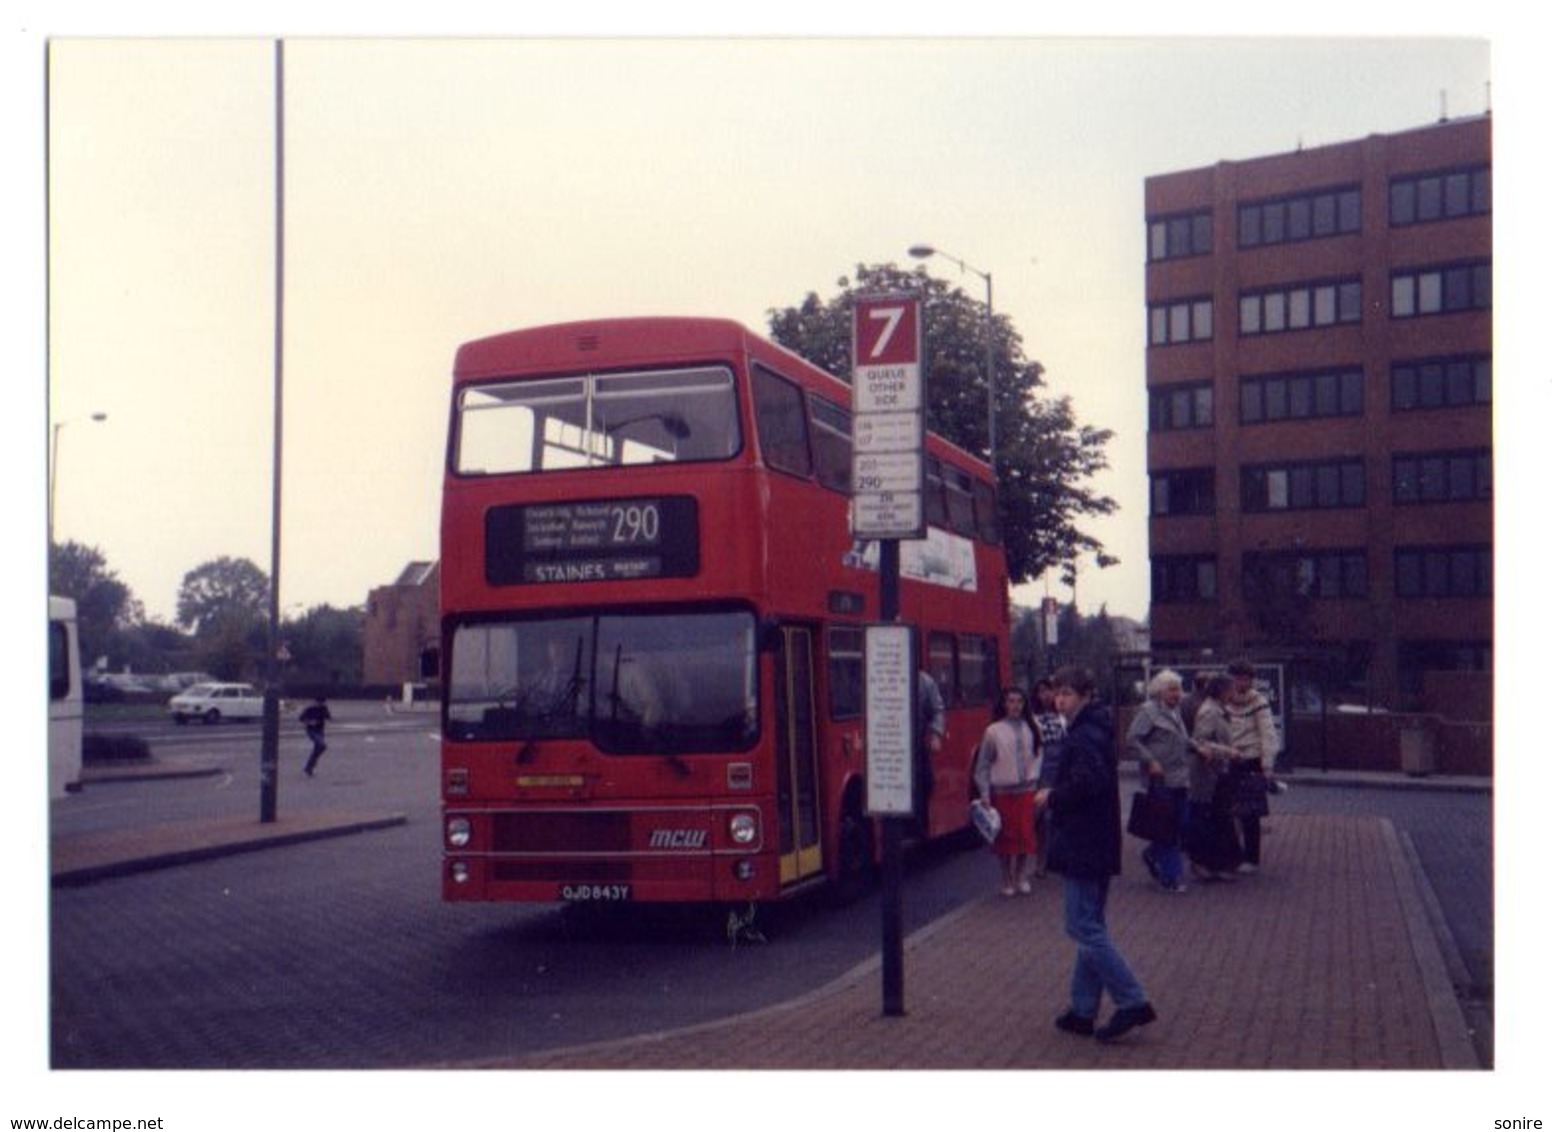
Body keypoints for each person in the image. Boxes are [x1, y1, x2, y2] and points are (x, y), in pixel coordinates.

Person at [1036, 665, 1156, 1043]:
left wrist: (1051, 796)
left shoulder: (1083, 735)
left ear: (1085, 695)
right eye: (1058, 693)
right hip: (1095, 841)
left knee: (1081, 926)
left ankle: (1132, 1000)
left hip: (1083, 842)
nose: (1060, 699)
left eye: (1068, 693)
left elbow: (1089, 782)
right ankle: (1083, 1009)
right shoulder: (1094, 728)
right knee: (1091, 924)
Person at [1126, 669, 1192, 893]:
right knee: (1169, 827)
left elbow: (1181, 739)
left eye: (1179, 689)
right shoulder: (1149, 712)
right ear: (1160, 691)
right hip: (1160, 779)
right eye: (1172, 689)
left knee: (1182, 823)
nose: (1177, 694)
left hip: (1181, 777)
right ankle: (1171, 876)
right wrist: (1150, 760)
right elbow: (1132, 739)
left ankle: (1152, 853)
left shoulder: (1176, 712)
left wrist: (1200, 748)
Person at [973, 686, 1042, 897]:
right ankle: (1006, 879)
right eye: (1011, 701)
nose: (1015, 706)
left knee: (1025, 836)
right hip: (1002, 792)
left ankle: (1021, 875)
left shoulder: (1034, 726)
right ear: (1004, 704)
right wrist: (984, 793)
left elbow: (1040, 757)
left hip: (1028, 790)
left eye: (1019, 701)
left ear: (1024, 704)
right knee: (1004, 838)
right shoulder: (993, 731)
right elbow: (983, 765)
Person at [1186, 674, 1242, 880]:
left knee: (1219, 818)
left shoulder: (1220, 710)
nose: (1234, 694)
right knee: (1206, 817)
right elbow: (1200, 741)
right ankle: (1201, 862)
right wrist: (1229, 752)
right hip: (1207, 773)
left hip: (1217, 771)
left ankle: (1218, 863)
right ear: (1222, 691)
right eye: (1231, 690)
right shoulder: (1210, 712)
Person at [1226, 659, 1279, 873]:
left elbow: (1267, 734)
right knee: (1228, 810)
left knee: (1250, 812)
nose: (1242, 683)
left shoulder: (1259, 701)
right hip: (1229, 758)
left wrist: (1267, 765)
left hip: (1250, 760)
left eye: (1246, 678)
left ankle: (1251, 858)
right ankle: (1232, 854)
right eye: (1238, 678)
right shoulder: (1224, 700)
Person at [1031, 677, 1067, 877]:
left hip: (1061, 767)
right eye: (1041, 691)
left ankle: (1057, 857)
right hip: (1044, 768)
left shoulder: (1062, 716)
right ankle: (1041, 860)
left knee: (1059, 815)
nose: (1045, 695)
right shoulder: (1033, 717)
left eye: (1048, 690)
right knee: (1043, 818)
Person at [916, 670, 947, 828]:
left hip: (917, 745)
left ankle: (919, 825)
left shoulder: (924, 681)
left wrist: (935, 734)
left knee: (926, 783)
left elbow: (937, 709)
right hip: (890, 743)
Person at [301, 696, 332, 777]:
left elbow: (328, 717)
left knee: (318, 749)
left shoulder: (323, 708)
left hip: (320, 730)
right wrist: (310, 722)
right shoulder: (310, 709)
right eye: (320, 703)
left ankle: (309, 768)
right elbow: (301, 718)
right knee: (322, 746)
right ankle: (309, 766)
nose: (321, 704)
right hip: (311, 730)